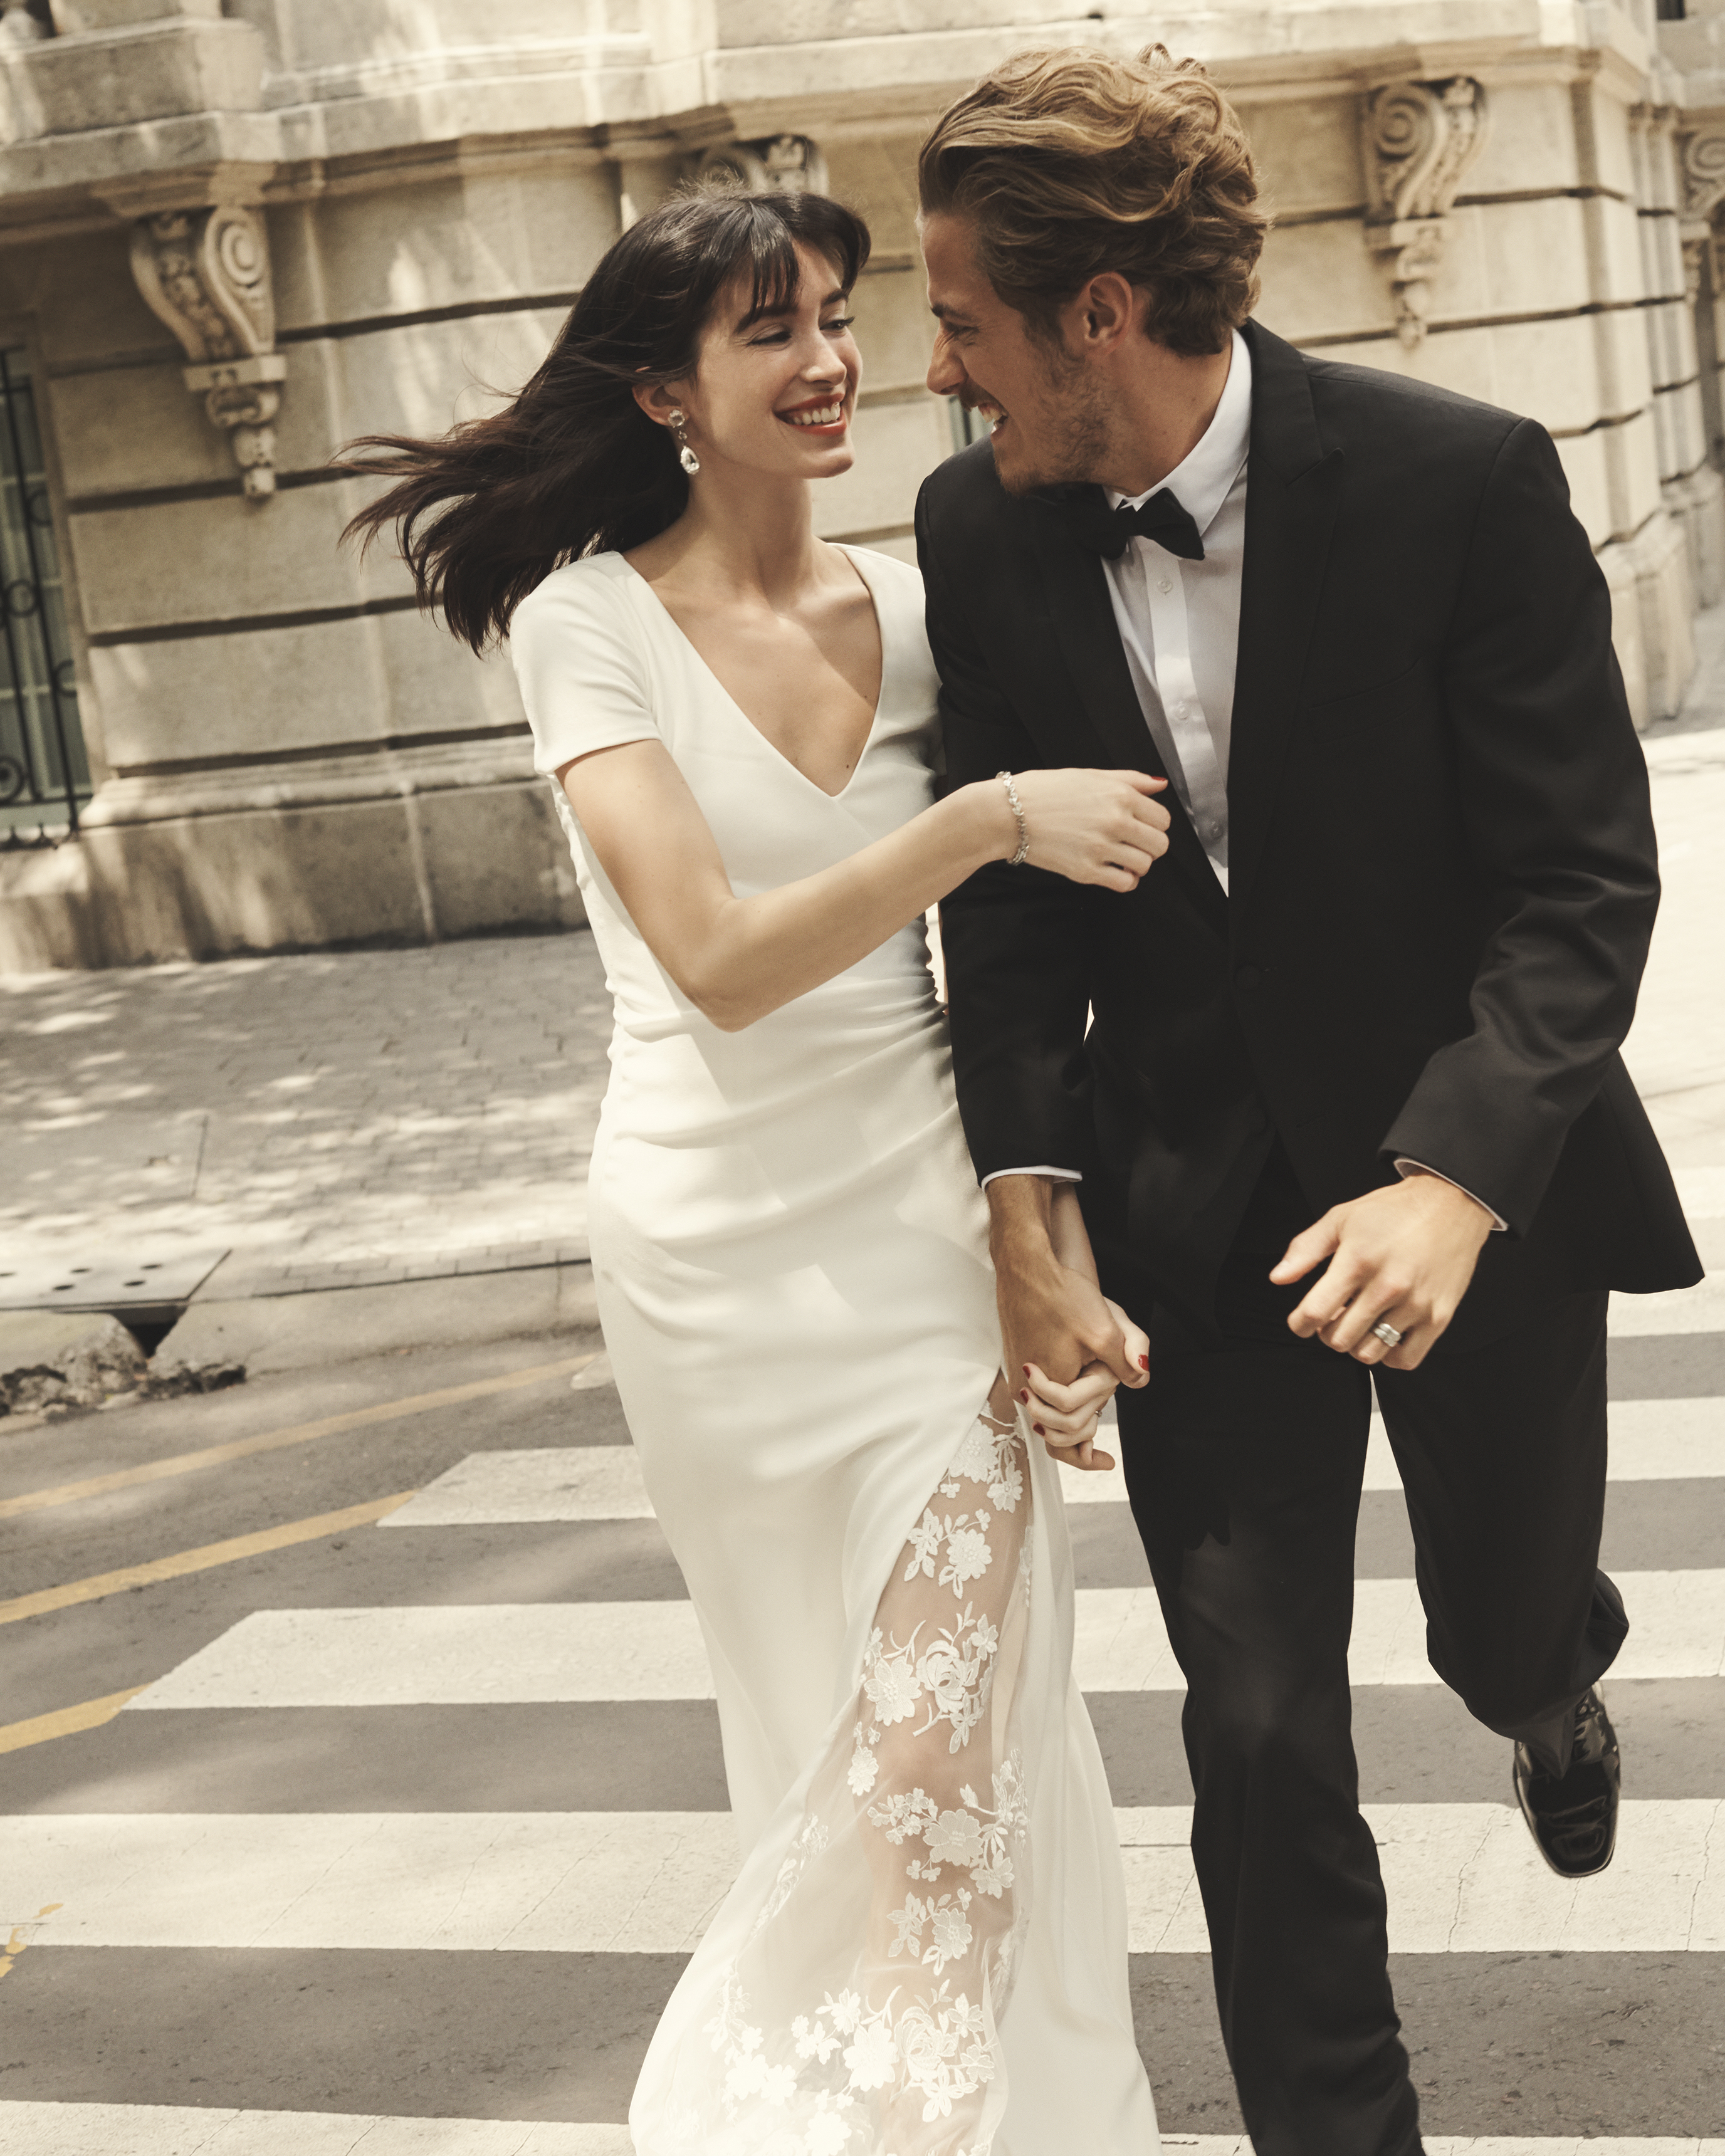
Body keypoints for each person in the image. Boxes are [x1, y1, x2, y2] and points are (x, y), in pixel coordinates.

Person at [913, 43, 1702, 2156]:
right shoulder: (974, 531)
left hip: (1480, 1177)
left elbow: (1580, 883)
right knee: (1256, 1730)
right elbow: (1007, 906)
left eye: (965, 320)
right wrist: (1026, 1181)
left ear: (1099, 311)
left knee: (1500, 1618)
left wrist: (1453, 1177)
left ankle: (1549, 1690)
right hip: (1193, 1202)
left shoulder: (1466, 476)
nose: (938, 369)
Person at [338, 187, 1166, 2153]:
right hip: (713, 1266)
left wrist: (1037, 1233)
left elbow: (1030, 974)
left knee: (939, 1751)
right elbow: (711, 958)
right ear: (665, 394)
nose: (832, 362)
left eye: (837, 317)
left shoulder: (925, 596)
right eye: (769, 332)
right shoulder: (584, 624)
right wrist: (975, 824)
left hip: (916, 1244)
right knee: (831, 1750)